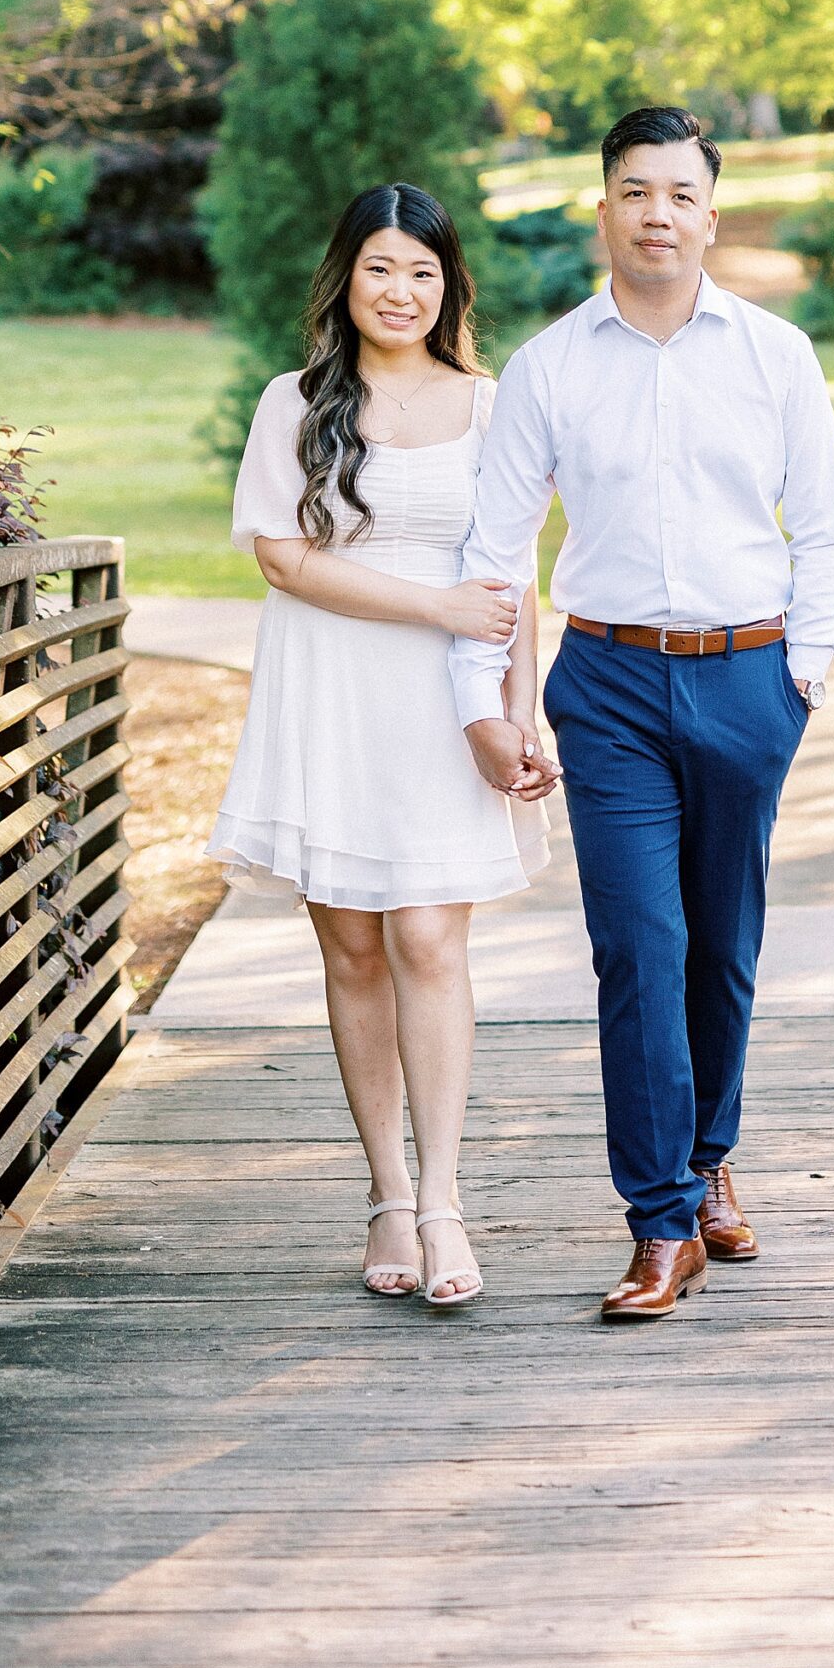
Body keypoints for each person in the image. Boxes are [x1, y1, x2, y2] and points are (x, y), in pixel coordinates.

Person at [451, 106, 834, 1321]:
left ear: (710, 213)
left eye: (680, 194)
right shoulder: (549, 368)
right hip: (611, 686)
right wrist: (485, 703)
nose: (658, 214)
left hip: (748, 677)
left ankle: (712, 1150)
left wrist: (804, 676)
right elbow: (494, 551)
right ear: (604, 210)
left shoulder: (776, 354)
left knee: (722, 945)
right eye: (635, 192)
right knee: (640, 946)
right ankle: (661, 1219)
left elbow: (824, 527)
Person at [210, 183, 554, 1308]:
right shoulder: (296, 400)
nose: (400, 291)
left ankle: (447, 1202)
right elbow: (281, 558)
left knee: (429, 941)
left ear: (448, 284)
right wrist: (434, 607)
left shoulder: (494, 406)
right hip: (331, 695)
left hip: (443, 710)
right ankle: (387, 1196)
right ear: (344, 278)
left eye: (422, 271)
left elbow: (513, 586)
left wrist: (522, 712)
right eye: (379, 268)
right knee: (353, 946)